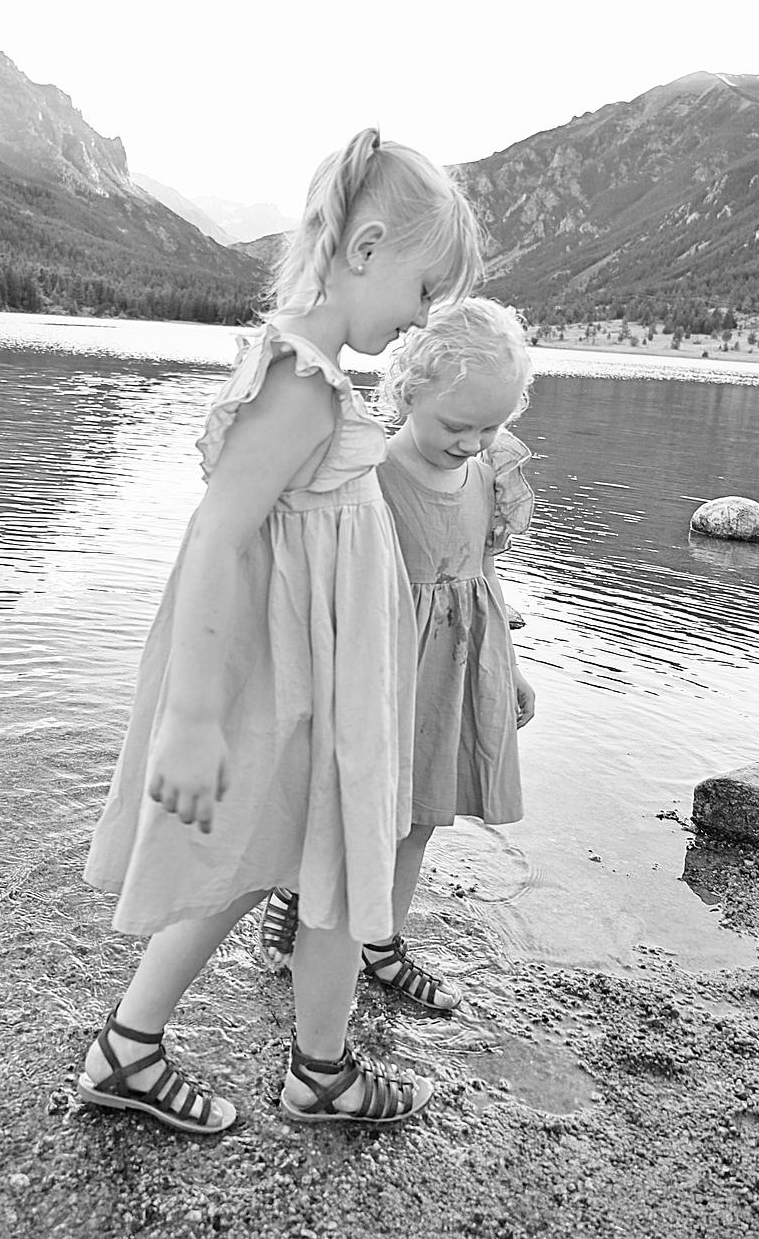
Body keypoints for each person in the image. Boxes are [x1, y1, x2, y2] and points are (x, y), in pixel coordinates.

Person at [77, 128, 483, 1133]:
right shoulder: (301, 382)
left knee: (271, 860)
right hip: (296, 680)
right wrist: (193, 720)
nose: (422, 315)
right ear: (366, 249)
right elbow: (220, 536)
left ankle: (129, 1049)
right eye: (423, 290)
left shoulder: (311, 371)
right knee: (338, 860)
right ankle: (321, 1073)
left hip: (312, 673)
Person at [259, 297, 536, 1013]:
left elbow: (483, 570)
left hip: (451, 673)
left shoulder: (489, 474)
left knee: (420, 818)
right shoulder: (372, 474)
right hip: (381, 671)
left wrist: (510, 666)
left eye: (490, 427)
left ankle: (381, 942)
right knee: (351, 813)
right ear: (408, 393)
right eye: (456, 425)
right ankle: (296, 893)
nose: (473, 442)